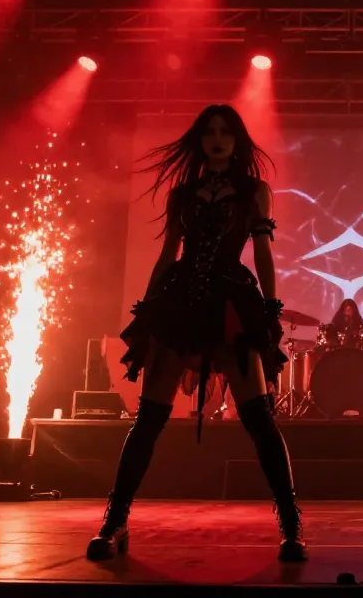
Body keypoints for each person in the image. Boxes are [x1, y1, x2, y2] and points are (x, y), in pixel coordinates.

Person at [88, 104, 304, 562]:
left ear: (236, 140)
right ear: (200, 140)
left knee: (259, 419)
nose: (218, 139)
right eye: (210, 132)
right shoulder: (182, 194)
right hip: (181, 301)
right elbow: (169, 252)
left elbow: (262, 251)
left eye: (225, 132)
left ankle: (291, 526)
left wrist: (270, 308)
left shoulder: (255, 191)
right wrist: (147, 308)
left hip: (231, 303)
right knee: (149, 420)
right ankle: (114, 521)